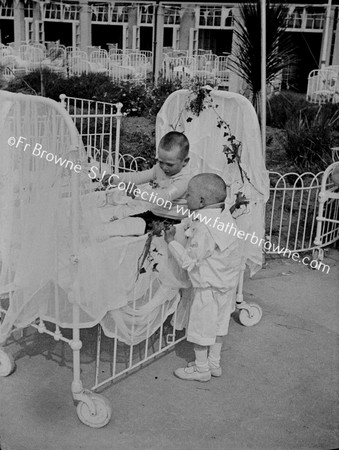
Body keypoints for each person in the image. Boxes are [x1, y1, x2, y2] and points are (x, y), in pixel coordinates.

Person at [164, 173, 242, 382]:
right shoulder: (223, 216)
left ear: (201, 201)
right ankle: (213, 364)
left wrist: (172, 241)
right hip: (226, 285)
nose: (185, 198)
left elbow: (189, 260)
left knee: (200, 327)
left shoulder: (205, 228)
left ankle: (201, 369)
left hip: (208, 287)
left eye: (188, 195)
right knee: (217, 326)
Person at [101, 131, 194, 222]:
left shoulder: (185, 179)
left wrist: (138, 192)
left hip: (173, 219)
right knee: (124, 223)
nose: (164, 167)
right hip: (155, 213)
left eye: (170, 164)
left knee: (133, 228)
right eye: (161, 162)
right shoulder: (159, 169)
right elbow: (138, 177)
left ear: (185, 161)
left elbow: (166, 196)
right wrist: (115, 178)